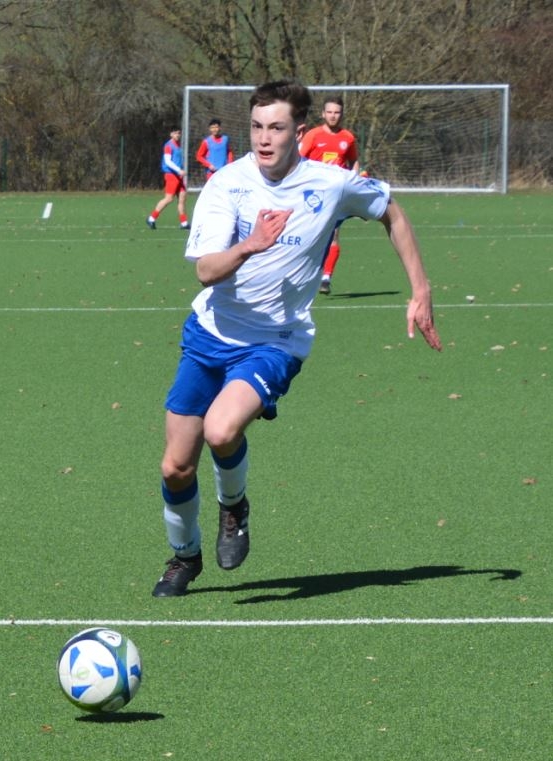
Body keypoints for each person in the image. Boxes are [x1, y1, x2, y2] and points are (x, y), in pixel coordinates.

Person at [151, 80, 441, 598]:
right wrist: (251, 245)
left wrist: (421, 290)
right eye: (256, 127)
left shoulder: (331, 183)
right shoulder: (226, 184)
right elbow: (205, 271)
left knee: (221, 430)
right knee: (175, 467)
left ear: (299, 132)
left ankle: (233, 508)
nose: (264, 138)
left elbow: (391, 211)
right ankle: (185, 556)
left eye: (277, 128)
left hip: (276, 340)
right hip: (210, 334)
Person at [299, 96, 360, 294]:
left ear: (342, 114)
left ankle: (326, 277)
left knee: (334, 234)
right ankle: (305, 272)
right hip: (313, 194)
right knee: (309, 234)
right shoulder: (313, 135)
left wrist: (354, 180)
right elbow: (298, 159)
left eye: (337, 112)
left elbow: (354, 161)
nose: (333, 116)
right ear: (323, 114)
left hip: (336, 195)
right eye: (330, 112)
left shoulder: (348, 137)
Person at [147, 128, 189, 230]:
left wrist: (180, 171)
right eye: (175, 133)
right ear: (171, 134)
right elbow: (168, 161)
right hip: (171, 175)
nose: (177, 135)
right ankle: (151, 218)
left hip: (178, 176)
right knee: (169, 198)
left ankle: (184, 223)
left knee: (182, 197)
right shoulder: (168, 145)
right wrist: (179, 170)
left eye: (179, 133)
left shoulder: (178, 145)